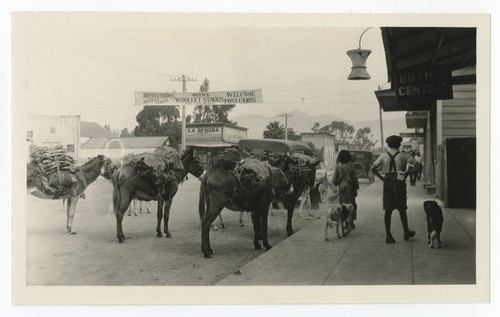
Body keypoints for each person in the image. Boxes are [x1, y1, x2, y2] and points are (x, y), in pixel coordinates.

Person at [371, 135, 422, 244]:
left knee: (388, 209)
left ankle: (388, 235)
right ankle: (406, 232)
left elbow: (373, 168)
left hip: (388, 182)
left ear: (388, 145)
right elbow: (418, 165)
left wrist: (382, 178)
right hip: (399, 181)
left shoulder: (383, 156)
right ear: (399, 145)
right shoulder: (404, 156)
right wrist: (408, 173)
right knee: (402, 208)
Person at [332, 150, 359, 228]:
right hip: (350, 187)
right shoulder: (351, 167)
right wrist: (356, 189)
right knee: (351, 204)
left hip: (341, 188)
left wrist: (337, 183)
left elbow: (334, 180)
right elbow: (354, 179)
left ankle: (345, 223)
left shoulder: (337, 167)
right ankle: (350, 222)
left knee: (343, 205)